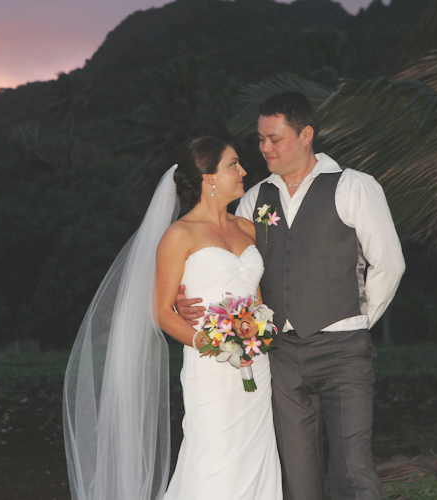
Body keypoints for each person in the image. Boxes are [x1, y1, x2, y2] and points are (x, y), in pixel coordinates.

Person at [177, 92, 405, 500]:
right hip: (279, 355)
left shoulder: (354, 186)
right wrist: (187, 294)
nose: (265, 148)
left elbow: (389, 263)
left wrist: (358, 318)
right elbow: (230, 262)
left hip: (342, 350)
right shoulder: (254, 198)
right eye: (261, 139)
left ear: (305, 135)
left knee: (353, 467)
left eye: (274, 139)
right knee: (297, 477)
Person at [63, 136, 282, 500]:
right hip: (210, 365)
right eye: (233, 164)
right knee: (213, 458)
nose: (243, 171)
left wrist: (258, 334)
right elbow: (162, 311)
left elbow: (256, 295)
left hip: (257, 363)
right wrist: (213, 343)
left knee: (256, 455)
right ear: (208, 177)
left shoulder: (247, 229)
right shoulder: (179, 235)